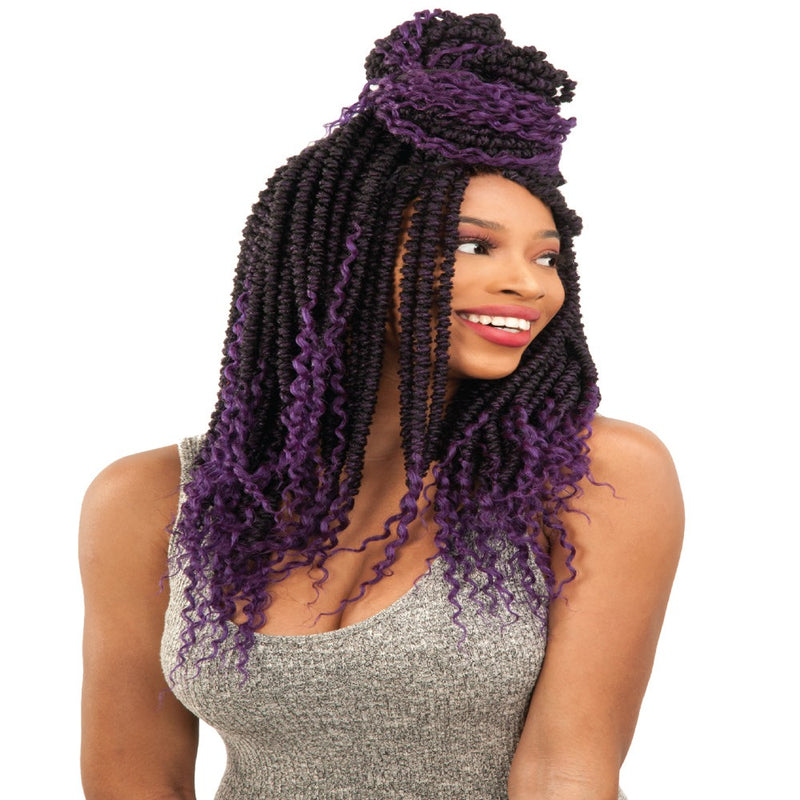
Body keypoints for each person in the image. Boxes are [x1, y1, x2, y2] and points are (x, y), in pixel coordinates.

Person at [79, 9, 683, 800]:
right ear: (346, 258)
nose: (528, 284)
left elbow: (565, 771)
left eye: (546, 256)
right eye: (472, 245)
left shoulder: (594, 475)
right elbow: (133, 776)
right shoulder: (153, 500)